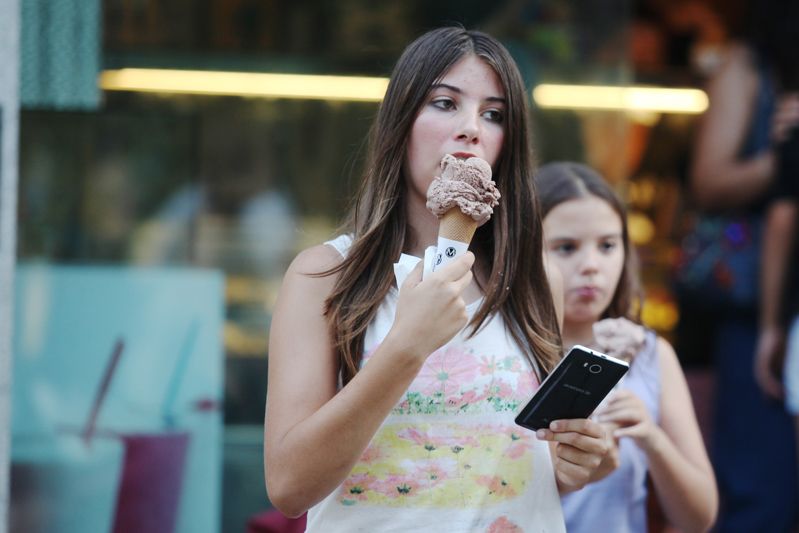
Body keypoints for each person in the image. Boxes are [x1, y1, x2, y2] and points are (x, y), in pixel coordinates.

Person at [264, 27, 609, 532]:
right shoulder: (323, 276)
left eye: (493, 115)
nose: (471, 128)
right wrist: (406, 346)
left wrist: (576, 463)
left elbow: (506, 468)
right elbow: (289, 486)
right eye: (445, 103)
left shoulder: (538, 280)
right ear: (400, 123)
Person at [535, 162, 718, 533]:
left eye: (607, 245)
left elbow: (699, 518)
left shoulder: (650, 355)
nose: (591, 266)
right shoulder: (505, 353)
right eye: (566, 247)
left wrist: (652, 437)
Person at [687, 1, 799, 529]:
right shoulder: (748, 63)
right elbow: (710, 181)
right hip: (759, 304)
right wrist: (787, 157)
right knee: (763, 492)